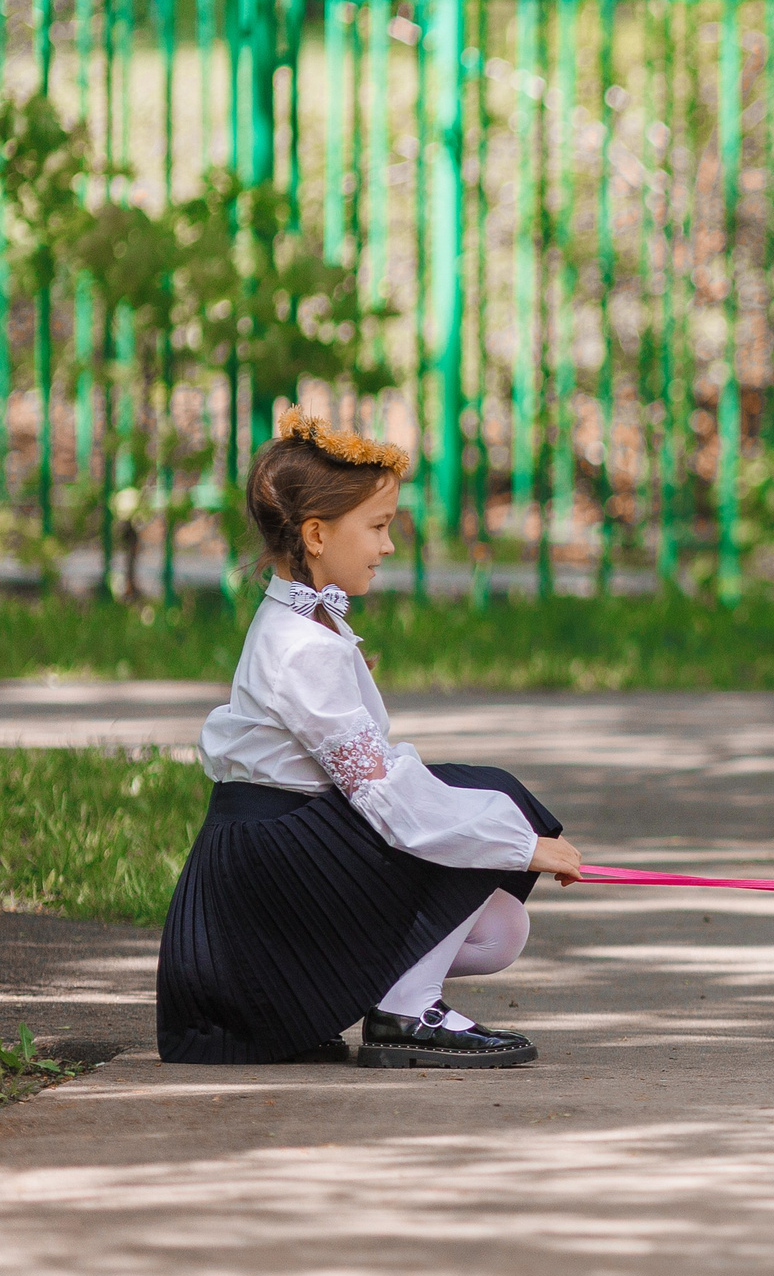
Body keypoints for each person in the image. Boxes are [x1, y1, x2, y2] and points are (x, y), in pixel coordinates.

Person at [156, 409, 584, 1068]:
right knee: (494, 799)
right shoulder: (302, 647)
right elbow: (387, 797)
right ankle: (405, 1011)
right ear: (317, 533)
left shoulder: (306, 617)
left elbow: (380, 772)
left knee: (499, 926)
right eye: (379, 527)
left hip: (278, 857)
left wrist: (504, 837)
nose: (388, 547)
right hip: (268, 874)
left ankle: (400, 992)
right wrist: (518, 842)